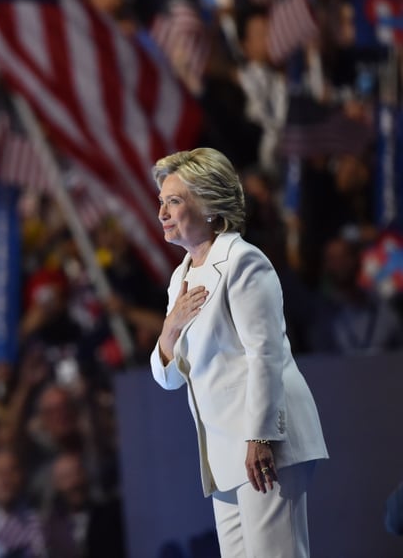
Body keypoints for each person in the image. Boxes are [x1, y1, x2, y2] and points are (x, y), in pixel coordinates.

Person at [149, 148, 328, 557]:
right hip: (224, 456)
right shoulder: (180, 278)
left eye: (174, 201)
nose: (162, 211)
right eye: (161, 201)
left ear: (211, 206)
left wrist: (259, 436)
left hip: (264, 444)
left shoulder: (243, 261)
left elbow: (264, 354)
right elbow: (170, 378)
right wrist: (169, 330)